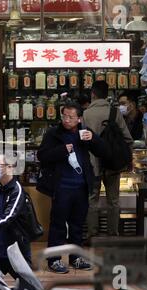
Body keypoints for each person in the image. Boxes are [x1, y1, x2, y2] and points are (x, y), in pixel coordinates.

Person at [37, 101, 107, 274]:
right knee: (58, 225)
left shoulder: (85, 133)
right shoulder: (53, 133)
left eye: (70, 117)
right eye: (64, 116)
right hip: (61, 187)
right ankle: (54, 260)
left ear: (79, 118)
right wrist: (62, 150)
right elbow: (42, 156)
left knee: (77, 225)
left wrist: (94, 139)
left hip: (81, 186)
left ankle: (76, 258)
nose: (66, 120)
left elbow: (104, 151)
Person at [83, 81, 133, 239]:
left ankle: (92, 233)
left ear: (93, 94)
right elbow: (127, 138)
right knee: (113, 200)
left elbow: (83, 140)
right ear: (107, 95)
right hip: (112, 163)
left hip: (92, 164)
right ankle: (113, 233)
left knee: (92, 200)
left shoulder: (86, 114)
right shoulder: (114, 112)